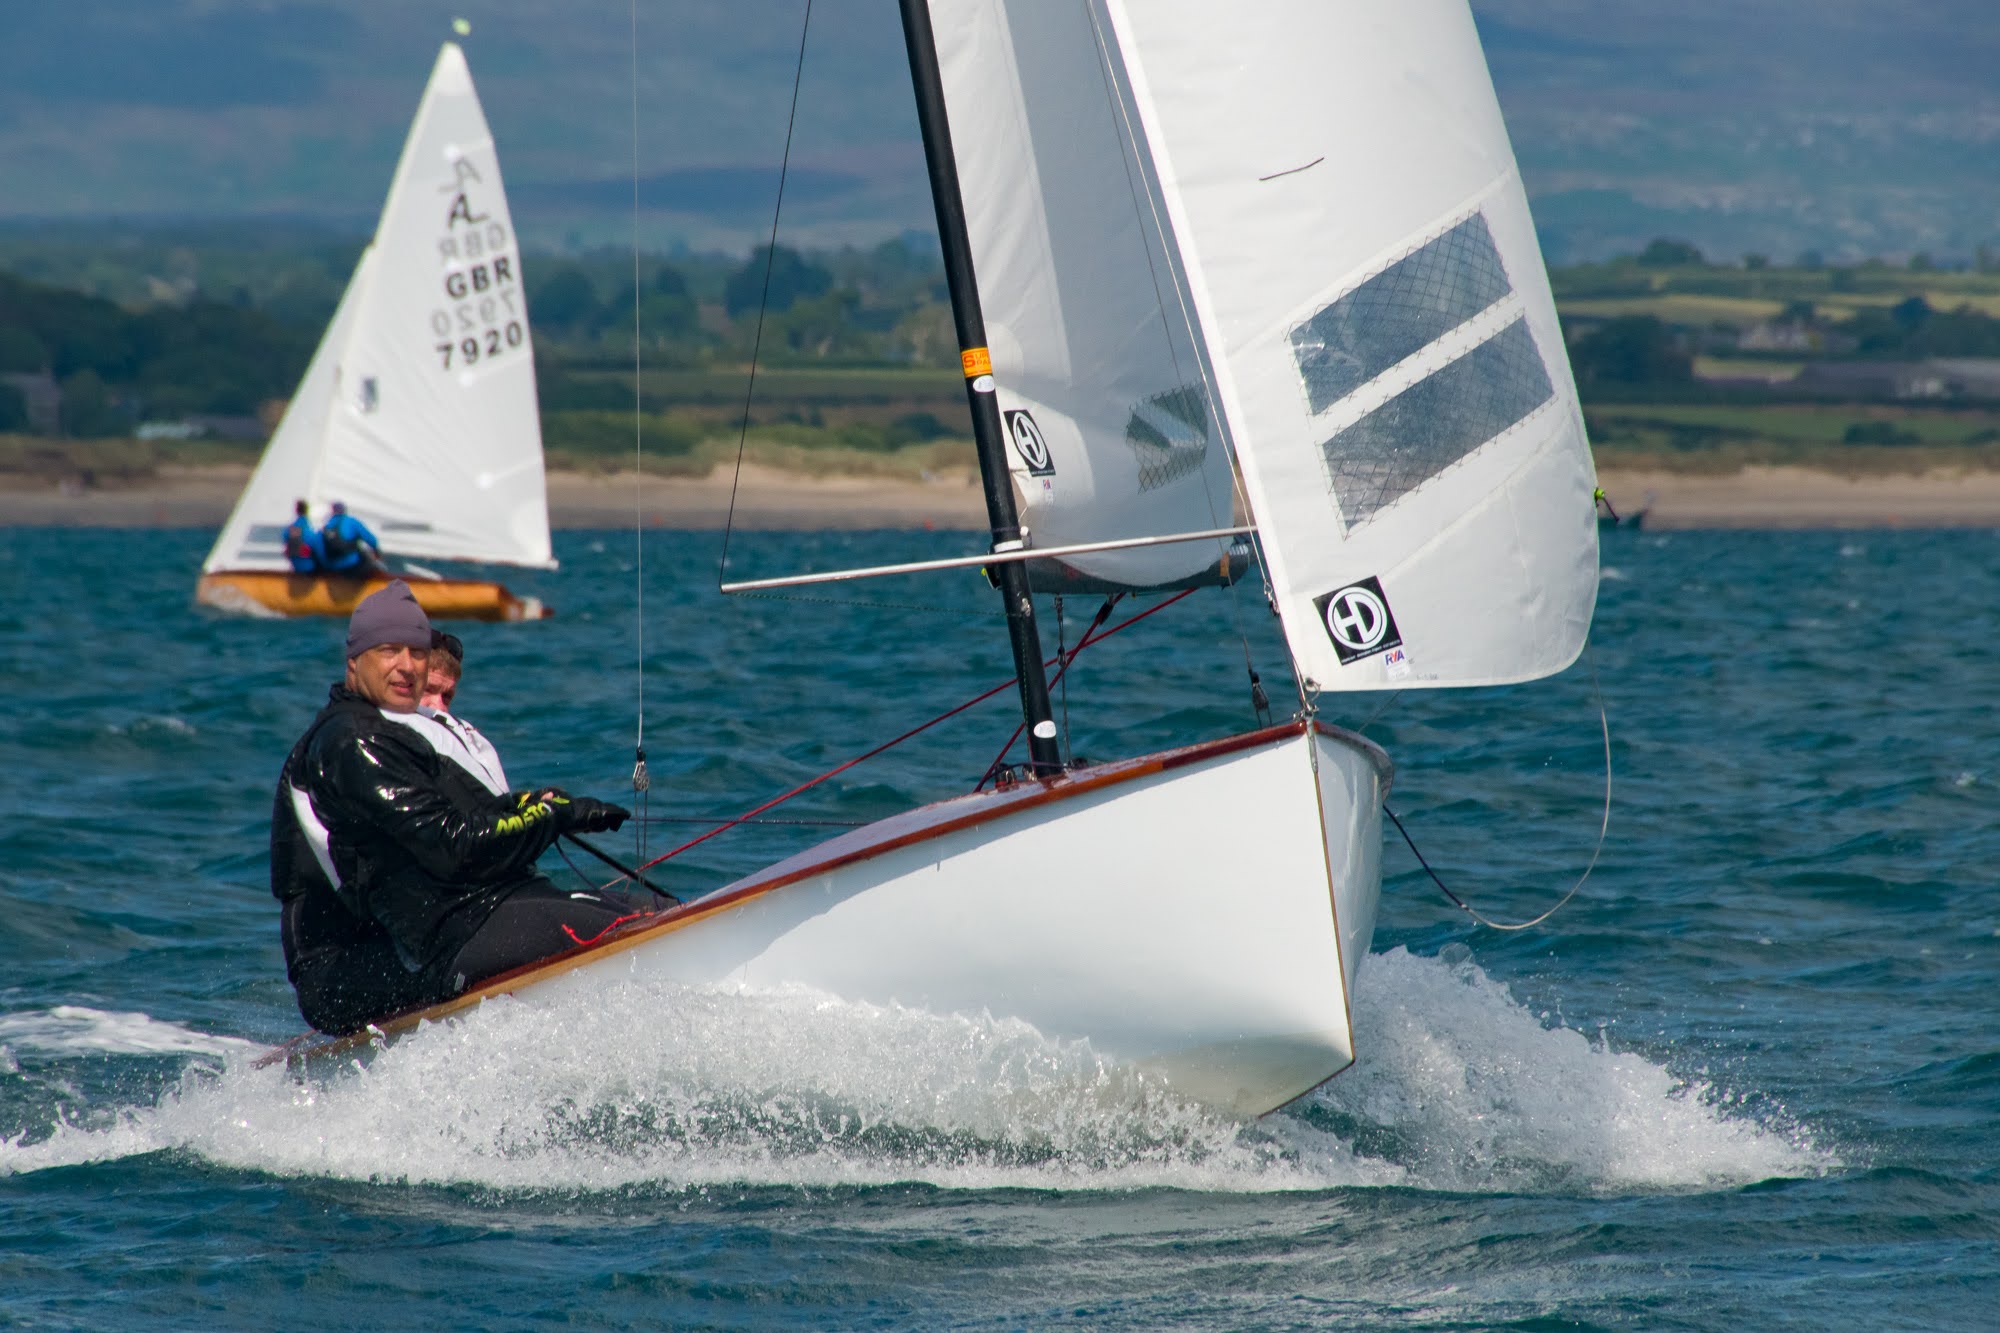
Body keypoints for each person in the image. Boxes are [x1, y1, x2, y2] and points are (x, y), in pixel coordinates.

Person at [271, 581, 648, 1034]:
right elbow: (455, 847)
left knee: (649, 907)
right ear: (354, 659)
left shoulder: (389, 732)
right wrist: (551, 818)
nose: (407, 666)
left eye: (417, 653)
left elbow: (465, 816)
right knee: (614, 927)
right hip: (354, 967)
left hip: (442, 926)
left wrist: (536, 805)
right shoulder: (352, 741)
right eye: (390, 651)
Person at [318, 500, 389, 578]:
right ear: (344, 510)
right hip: (351, 565)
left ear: (331, 512)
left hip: (330, 567)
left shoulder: (323, 526)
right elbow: (372, 540)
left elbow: (317, 548)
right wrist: (377, 553)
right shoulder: (351, 522)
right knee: (369, 559)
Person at [281, 499, 323, 573]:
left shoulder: (292, 528)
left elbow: (287, 543)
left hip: (295, 565)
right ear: (307, 511)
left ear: (296, 510)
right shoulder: (309, 529)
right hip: (309, 567)